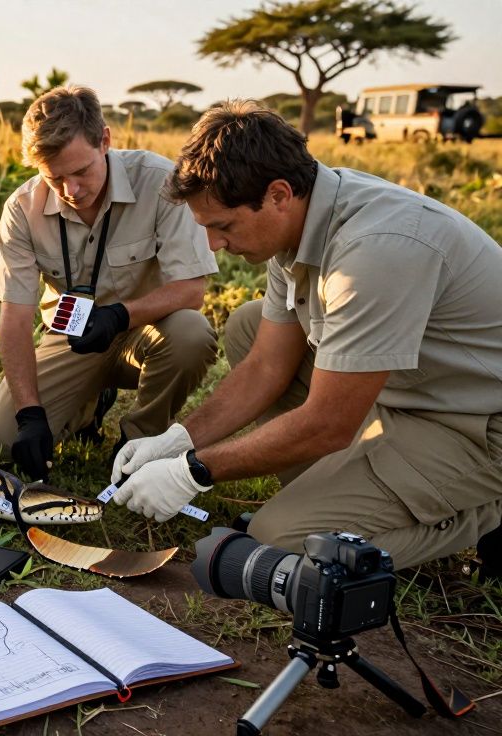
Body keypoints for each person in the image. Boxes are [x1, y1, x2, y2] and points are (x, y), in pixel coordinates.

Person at [113, 100, 502, 571]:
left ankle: (483, 509)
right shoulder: (300, 218)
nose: (214, 245)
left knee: (280, 544)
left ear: (278, 194)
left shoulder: (376, 251)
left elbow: (328, 422)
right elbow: (265, 367)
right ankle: (339, 492)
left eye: (223, 226)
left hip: (475, 423)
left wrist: (193, 472)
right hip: (405, 391)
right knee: (250, 325)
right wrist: (177, 440)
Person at [0, 85, 218, 481]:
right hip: (71, 337)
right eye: (55, 178)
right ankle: (88, 402)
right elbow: (16, 317)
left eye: (82, 171)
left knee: (192, 332)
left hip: (149, 331)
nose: (71, 191)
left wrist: (120, 315)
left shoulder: (161, 182)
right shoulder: (21, 209)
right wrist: (29, 414)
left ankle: (141, 439)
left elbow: (191, 290)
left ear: (105, 140)